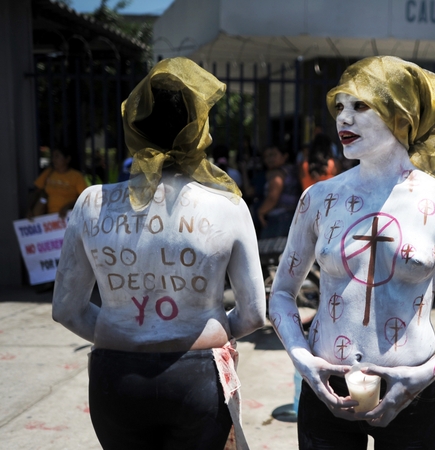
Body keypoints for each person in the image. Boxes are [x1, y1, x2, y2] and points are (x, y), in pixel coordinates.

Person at [268, 56, 435, 450]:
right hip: (326, 383)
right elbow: (283, 292)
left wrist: (426, 373)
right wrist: (302, 359)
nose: (343, 119)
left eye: (360, 106)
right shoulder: (319, 198)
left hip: (412, 387)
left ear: (402, 117)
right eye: (339, 107)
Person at [51, 57, 268, 450]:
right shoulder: (228, 206)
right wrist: (206, 327)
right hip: (199, 379)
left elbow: (67, 309)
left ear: (134, 127)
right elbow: (253, 314)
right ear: (199, 129)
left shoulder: (90, 203)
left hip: (115, 379)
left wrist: (126, 330)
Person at [28, 147, 88, 219]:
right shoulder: (48, 173)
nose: (54, 160)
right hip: (48, 218)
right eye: (53, 157)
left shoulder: (76, 176)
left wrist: (68, 206)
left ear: (67, 159)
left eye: (57, 156)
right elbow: (36, 192)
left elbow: (85, 197)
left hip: (68, 217)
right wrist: (30, 210)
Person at [256, 144, 300, 239]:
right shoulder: (292, 170)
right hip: (291, 217)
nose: (269, 159)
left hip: (279, 219)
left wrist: (261, 212)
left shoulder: (278, 173)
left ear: (285, 156)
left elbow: (273, 196)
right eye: (267, 156)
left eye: (273, 155)